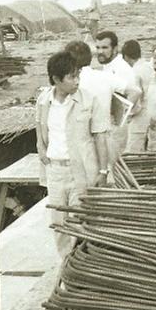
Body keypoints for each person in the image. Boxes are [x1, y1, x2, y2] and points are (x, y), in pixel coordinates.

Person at [36, 51, 109, 258]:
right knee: (58, 223)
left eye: (78, 75)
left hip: (81, 171)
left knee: (80, 221)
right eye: (71, 77)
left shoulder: (89, 100)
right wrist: (40, 147)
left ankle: (80, 264)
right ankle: (66, 266)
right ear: (56, 80)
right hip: (55, 172)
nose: (77, 81)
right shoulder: (43, 101)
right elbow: (39, 125)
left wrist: (103, 171)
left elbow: (100, 136)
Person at [95, 31, 140, 162]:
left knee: (114, 164)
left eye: (104, 48)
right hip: (109, 124)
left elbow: (135, 92)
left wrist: (120, 120)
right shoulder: (108, 66)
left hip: (116, 127)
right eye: (98, 47)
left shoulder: (121, 69)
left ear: (115, 49)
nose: (100, 51)